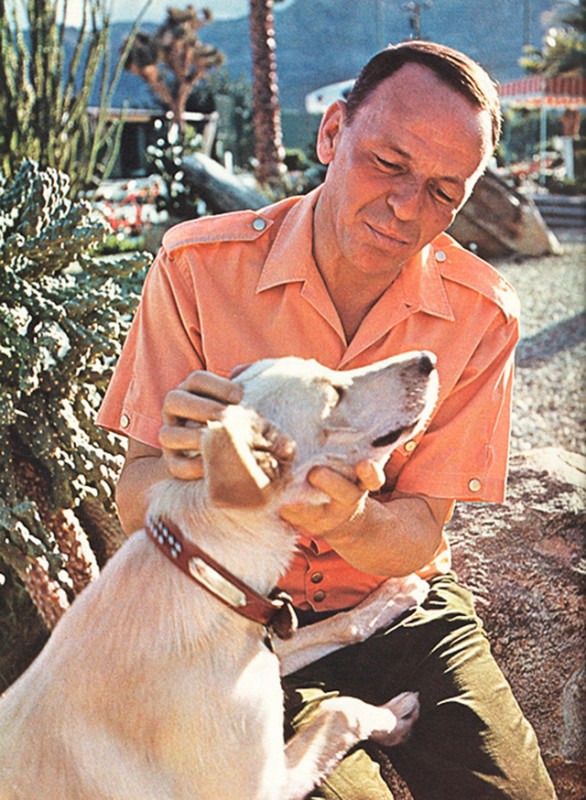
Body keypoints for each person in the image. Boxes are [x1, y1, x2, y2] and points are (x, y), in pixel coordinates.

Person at [97, 41, 557, 799]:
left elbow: (418, 531)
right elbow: (136, 494)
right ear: (332, 134)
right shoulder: (195, 269)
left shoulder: (482, 314)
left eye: (446, 190)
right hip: (226, 622)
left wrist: (347, 522)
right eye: (389, 162)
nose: (410, 207)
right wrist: (197, 470)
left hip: (403, 610)